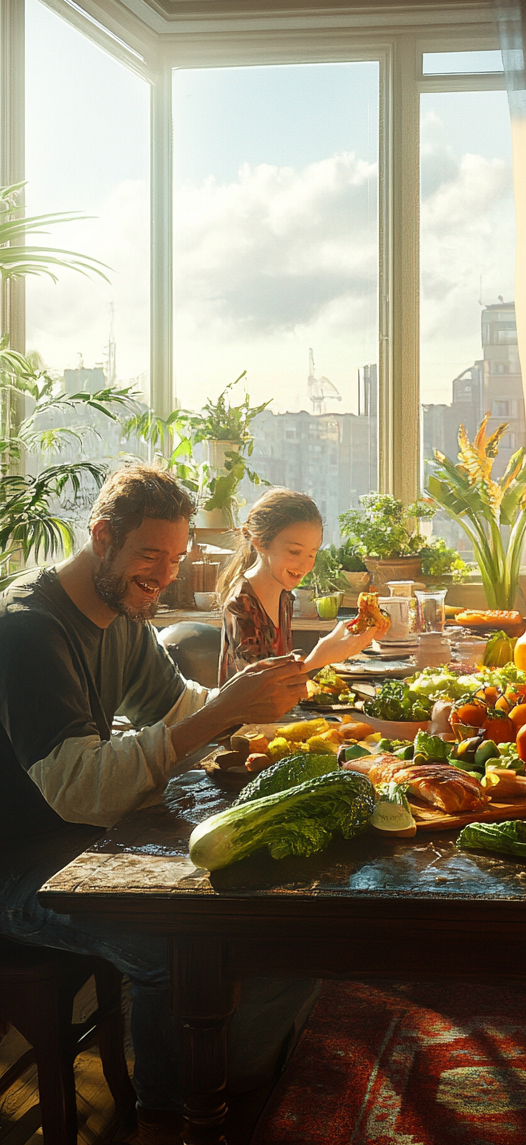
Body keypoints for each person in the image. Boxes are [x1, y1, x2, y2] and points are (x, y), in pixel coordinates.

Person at [0, 464, 340, 1145]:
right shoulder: (29, 630)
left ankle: (234, 1072)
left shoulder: (121, 614)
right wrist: (219, 716)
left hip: (89, 845)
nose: (164, 573)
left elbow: (184, 709)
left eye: (177, 557)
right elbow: (78, 788)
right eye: (150, 554)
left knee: (273, 883)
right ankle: (165, 1122)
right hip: (23, 867)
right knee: (168, 941)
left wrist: (263, 715)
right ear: (103, 537)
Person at [217, 488, 376, 682]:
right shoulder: (241, 603)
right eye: (294, 552)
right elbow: (259, 688)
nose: (306, 565)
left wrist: (335, 642)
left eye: (312, 553)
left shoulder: (284, 597)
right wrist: (319, 659)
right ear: (260, 543)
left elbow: (279, 666)